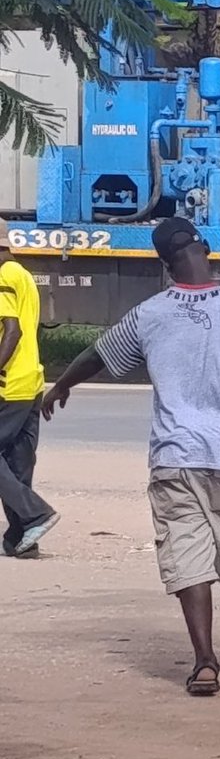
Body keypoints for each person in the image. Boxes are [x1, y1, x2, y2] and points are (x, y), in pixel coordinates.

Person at [42, 217, 220, 696]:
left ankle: (204, 663)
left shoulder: (151, 313)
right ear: (203, 249)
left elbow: (99, 353)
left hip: (174, 457)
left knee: (187, 557)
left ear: (165, 264)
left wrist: (62, 384)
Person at [0, 219, 60, 558]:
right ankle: (22, 539)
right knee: (18, 462)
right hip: (32, 381)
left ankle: (36, 513)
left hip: (9, 384)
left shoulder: (2, 277)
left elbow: (12, 331)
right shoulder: (22, 274)